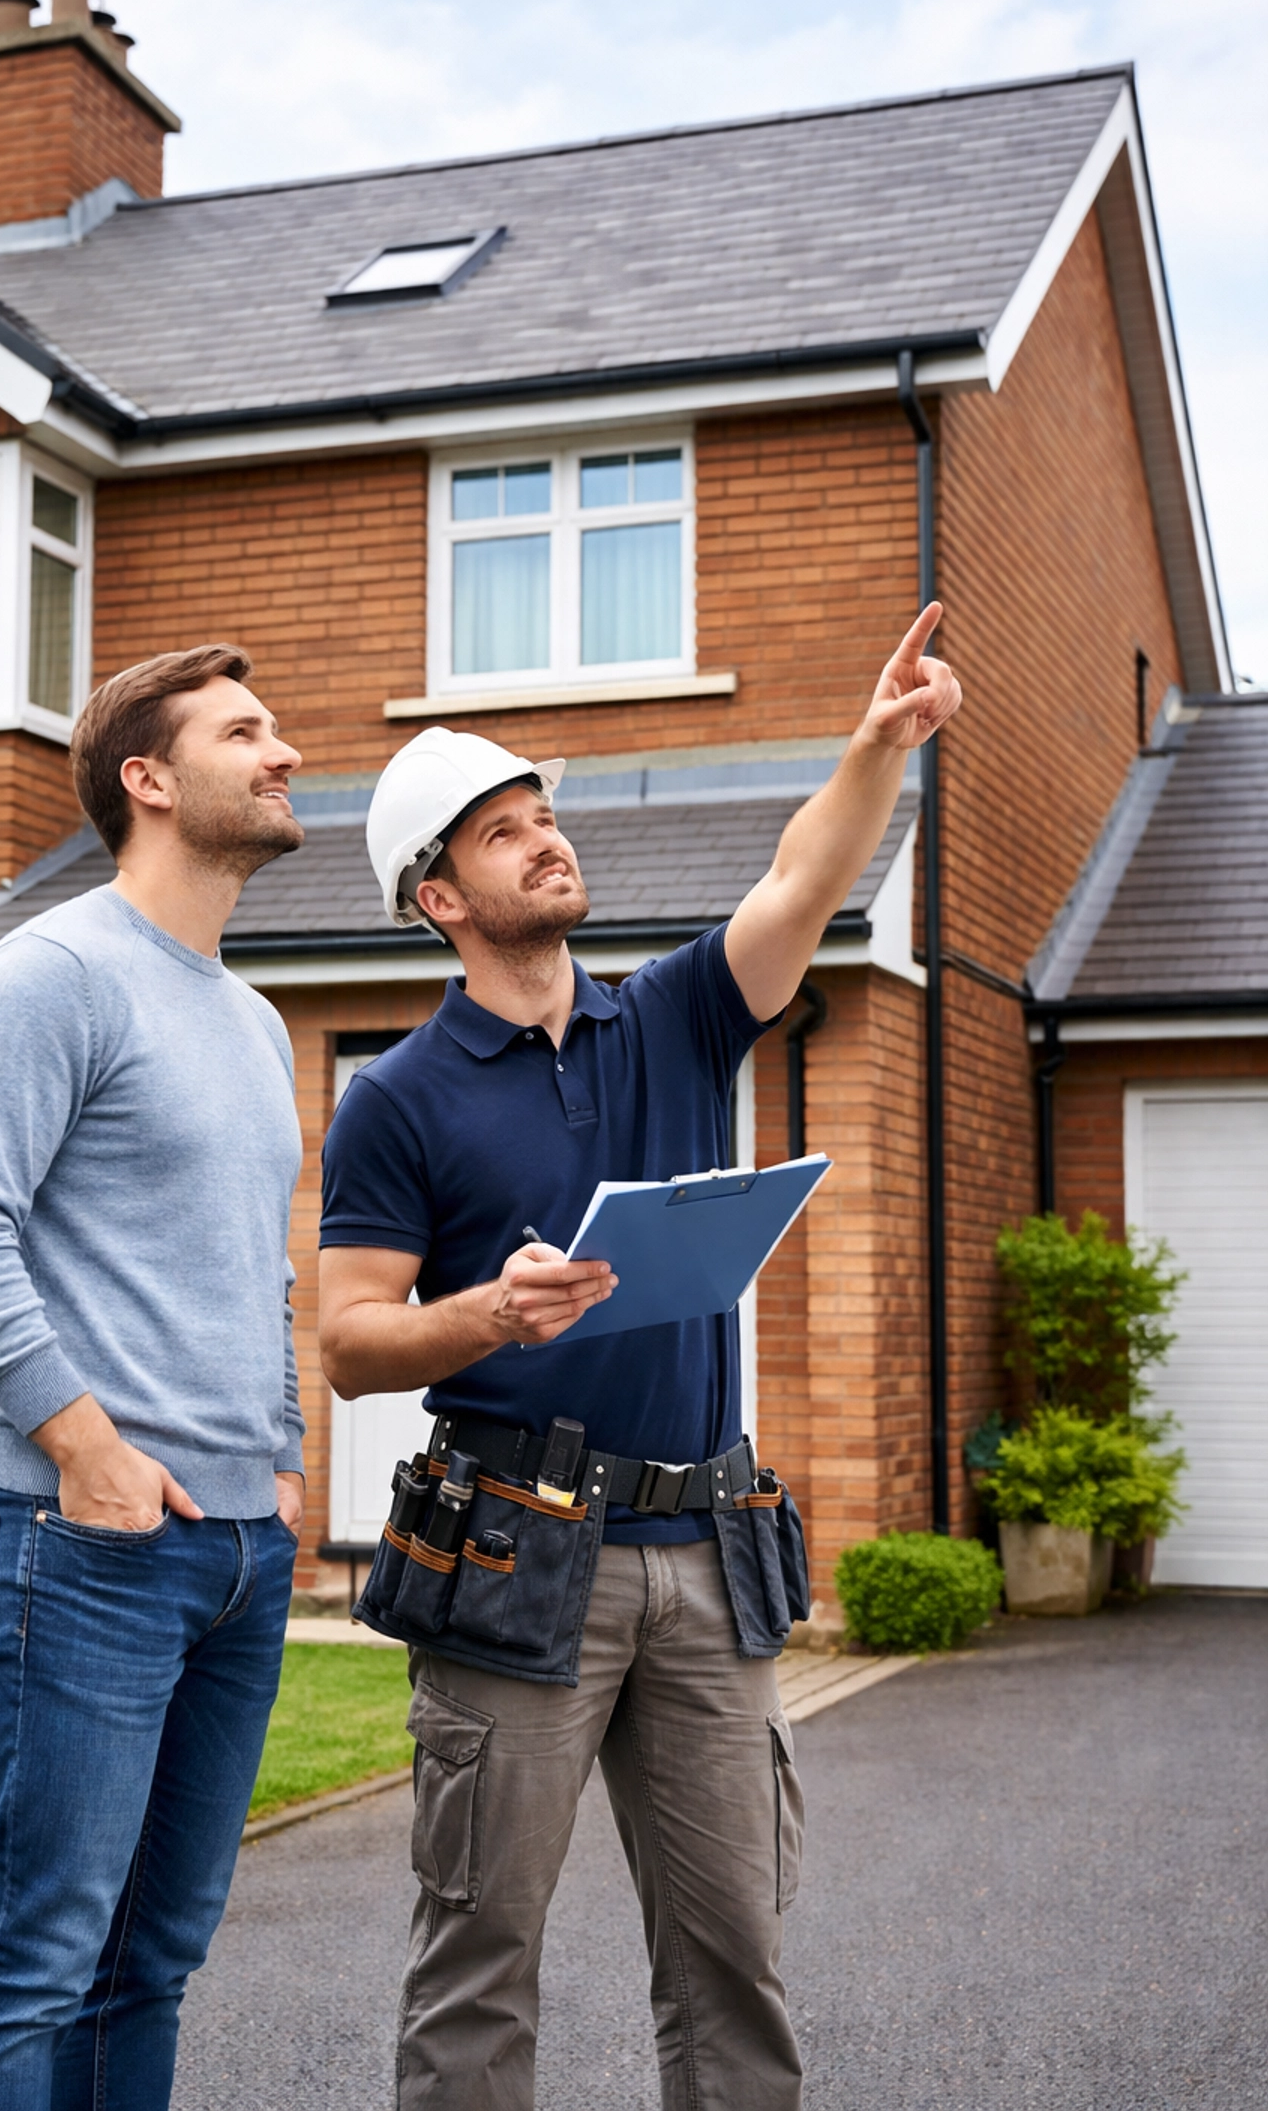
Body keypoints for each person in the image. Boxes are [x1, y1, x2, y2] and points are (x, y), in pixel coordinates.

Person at [318, 605, 962, 2111]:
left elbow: (807, 875)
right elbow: (348, 1344)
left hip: (705, 1543)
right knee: (478, 1967)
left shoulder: (673, 1018)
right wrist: (493, 1311)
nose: (545, 843)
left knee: (733, 1957)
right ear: (438, 898)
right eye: (502, 833)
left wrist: (874, 745)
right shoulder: (395, 1099)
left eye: (546, 817)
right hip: (515, 1561)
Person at [0, 644, 309, 2111]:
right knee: (30, 1963)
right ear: (148, 777)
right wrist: (87, 1446)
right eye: (245, 732)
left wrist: (282, 1458)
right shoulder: (54, 971)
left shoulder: (253, 1021)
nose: (285, 753)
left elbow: (256, 1269)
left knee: (152, 1962)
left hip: (236, 1551)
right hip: (80, 1544)